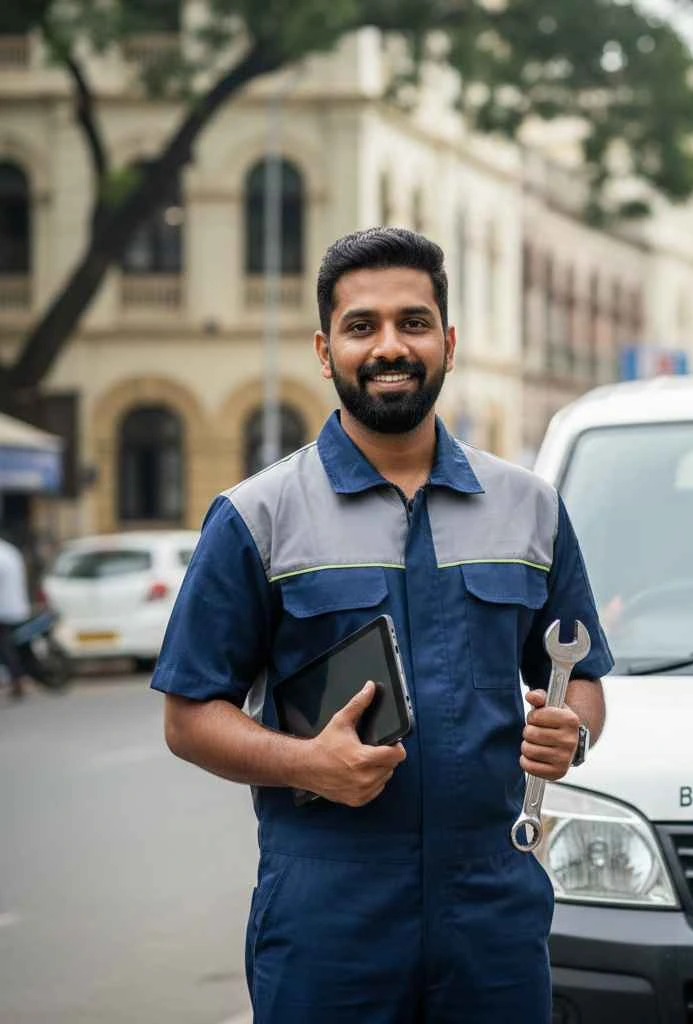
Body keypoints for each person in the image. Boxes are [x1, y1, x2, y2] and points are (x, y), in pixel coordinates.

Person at [152, 226, 614, 1023]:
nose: (390, 346)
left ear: (449, 341)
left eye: (414, 322)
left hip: (493, 909)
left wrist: (571, 735)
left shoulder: (529, 507)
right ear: (325, 349)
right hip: (329, 911)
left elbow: (583, 683)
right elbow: (188, 717)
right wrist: (305, 763)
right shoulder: (256, 516)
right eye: (362, 326)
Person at [0, 533, 32, 700]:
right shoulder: (9, 551)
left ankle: (17, 680)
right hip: (17, 606)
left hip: (4, 610)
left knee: (6, 648)